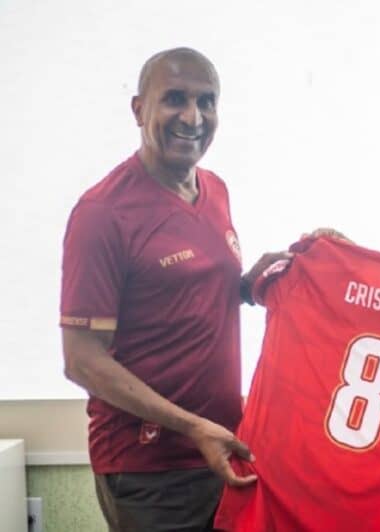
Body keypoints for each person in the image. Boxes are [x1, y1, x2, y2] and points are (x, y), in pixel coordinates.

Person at [60, 47, 290, 531]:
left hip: (220, 448)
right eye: (175, 100)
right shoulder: (103, 214)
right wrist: (191, 427)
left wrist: (251, 285)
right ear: (139, 108)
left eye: (207, 102)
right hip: (149, 468)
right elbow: (81, 360)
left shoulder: (215, 189)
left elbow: (185, 295)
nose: (193, 117)